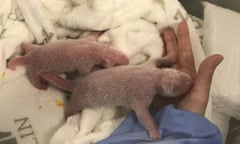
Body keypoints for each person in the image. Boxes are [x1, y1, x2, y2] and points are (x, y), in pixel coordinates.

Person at [97, 21, 223, 144]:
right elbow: (141, 111)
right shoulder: (143, 91)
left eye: (178, 74)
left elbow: (153, 64)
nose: (188, 83)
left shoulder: (148, 72)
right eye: (174, 88)